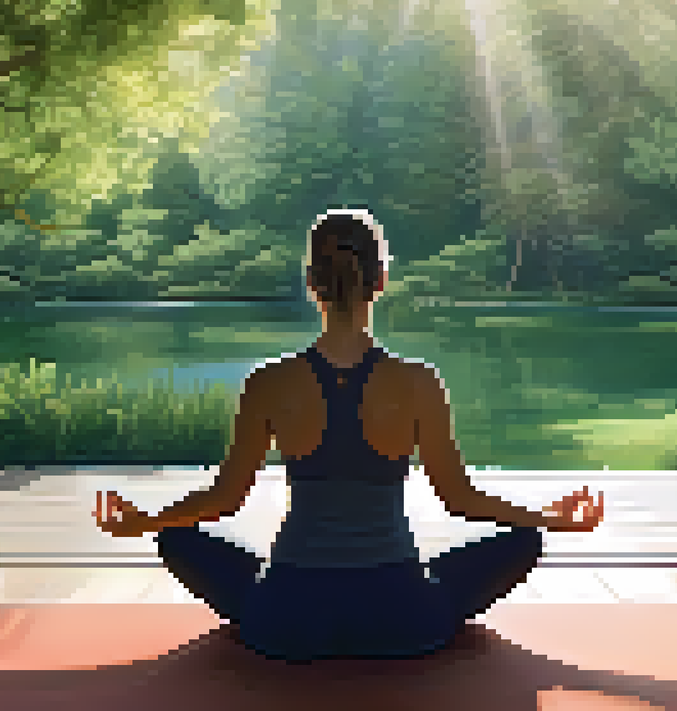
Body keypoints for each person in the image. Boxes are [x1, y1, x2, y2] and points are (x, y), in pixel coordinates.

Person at [93, 208, 604, 662]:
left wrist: (146, 521)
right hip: (404, 619)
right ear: (380, 280)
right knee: (523, 541)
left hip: (286, 621)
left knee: (177, 537)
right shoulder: (419, 381)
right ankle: (407, 592)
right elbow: (459, 498)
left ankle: (281, 600)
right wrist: (549, 517)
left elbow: (225, 499)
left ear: (310, 282)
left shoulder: (268, 382)